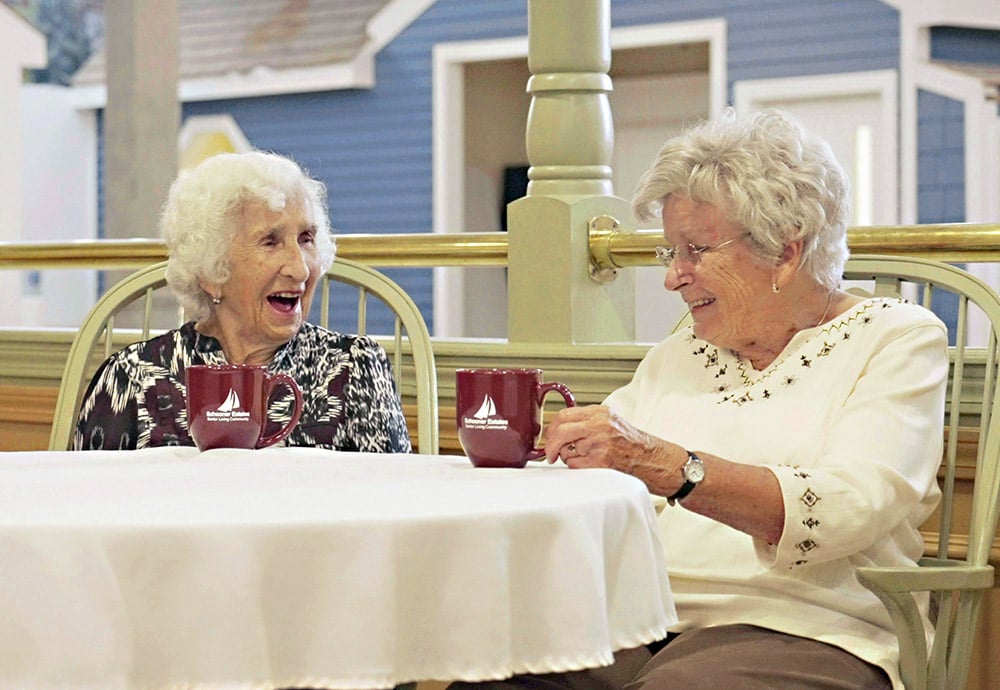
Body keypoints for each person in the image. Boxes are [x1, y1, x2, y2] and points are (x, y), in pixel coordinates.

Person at [466, 109, 947, 690]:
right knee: (491, 677)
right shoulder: (682, 352)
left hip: (810, 630)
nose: (674, 278)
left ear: (785, 251)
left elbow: (850, 507)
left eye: (695, 250)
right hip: (640, 622)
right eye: (672, 252)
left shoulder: (895, 338)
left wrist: (672, 468)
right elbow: (609, 471)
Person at [75, 151, 411, 453]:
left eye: (306, 238)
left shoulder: (354, 369)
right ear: (211, 270)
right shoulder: (133, 378)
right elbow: (86, 506)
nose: (299, 269)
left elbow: (397, 504)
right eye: (270, 242)